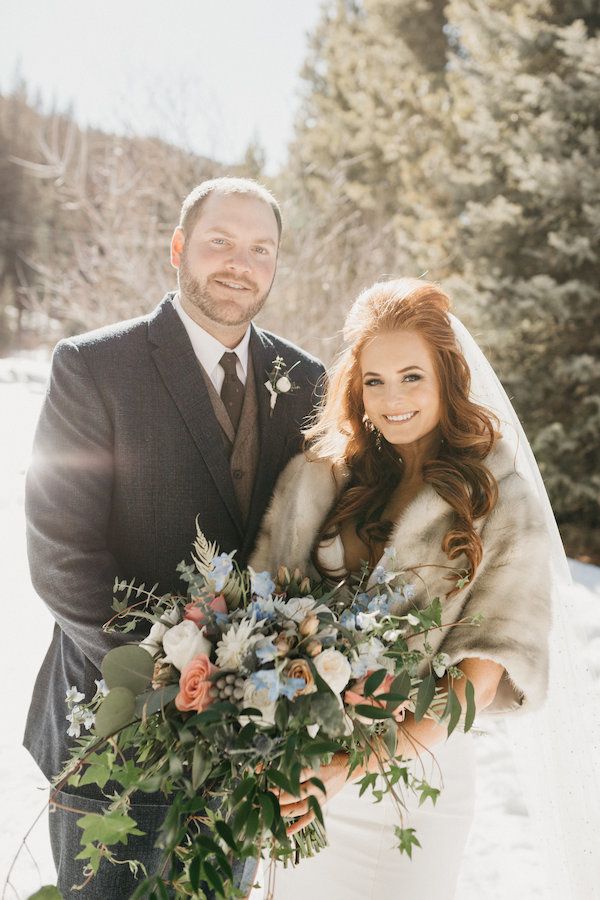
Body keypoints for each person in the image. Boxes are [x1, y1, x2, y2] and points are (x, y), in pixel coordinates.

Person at [24, 176, 325, 898]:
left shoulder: (307, 379)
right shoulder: (93, 366)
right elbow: (60, 550)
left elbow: (311, 546)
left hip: (246, 743)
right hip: (116, 725)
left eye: (260, 248)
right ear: (179, 248)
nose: (238, 263)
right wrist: (164, 674)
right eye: (219, 241)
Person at [249, 277, 555, 898]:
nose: (393, 400)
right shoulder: (317, 481)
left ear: (447, 377)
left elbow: (477, 682)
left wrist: (346, 767)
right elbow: (259, 624)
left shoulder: (497, 500)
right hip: (299, 778)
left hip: (411, 789)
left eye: (412, 376)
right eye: (375, 380)